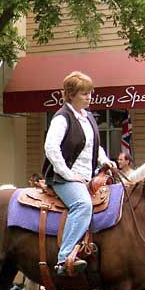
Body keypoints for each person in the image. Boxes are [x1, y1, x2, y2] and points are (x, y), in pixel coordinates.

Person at [43, 71, 113, 277]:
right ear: (71, 94)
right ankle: (64, 258)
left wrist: (105, 160)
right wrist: (67, 174)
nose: (89, 97)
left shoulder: (88, 117)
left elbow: (93, 146)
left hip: (88, 176)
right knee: (82, 205)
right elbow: (51, 148)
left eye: (90, 93)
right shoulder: (62, 118)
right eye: (84, 93)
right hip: (64, 178)